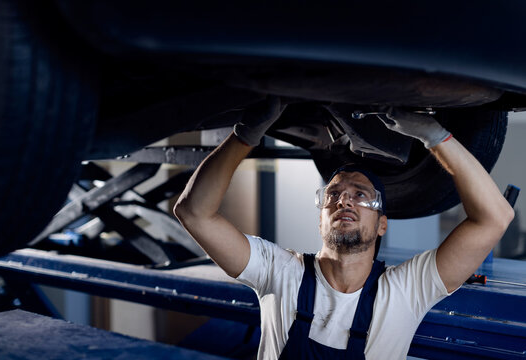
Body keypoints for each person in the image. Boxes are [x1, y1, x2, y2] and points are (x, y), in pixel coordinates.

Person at [174, 96, 514, 359]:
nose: (344, 201)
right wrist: (243, 136)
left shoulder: (406, 291)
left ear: (382, 224)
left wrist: (436, 136)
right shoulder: (279, 271)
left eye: (360, 196)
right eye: (333, 194)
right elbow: (194, 213)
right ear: (320, 217)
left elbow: (495, 218)